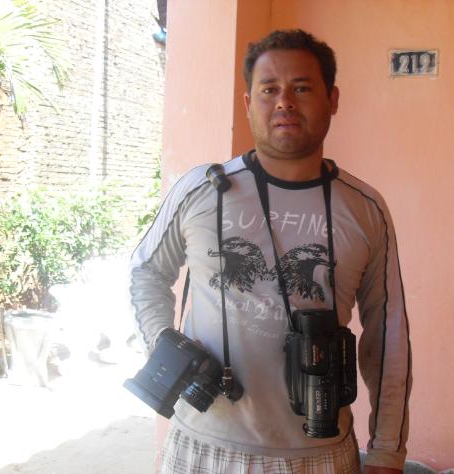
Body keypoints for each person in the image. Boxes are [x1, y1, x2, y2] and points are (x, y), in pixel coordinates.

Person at [130, 29, 411, 474]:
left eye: (301, 88)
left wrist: (387, 452)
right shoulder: (202, 190)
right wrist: (166, 345)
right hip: (202, 446)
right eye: (269, 89)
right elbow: (146, 271)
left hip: (319, 455)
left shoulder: (365, 209)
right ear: (248, 103)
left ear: (333, 99)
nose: (284, 102)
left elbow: (388, 335)